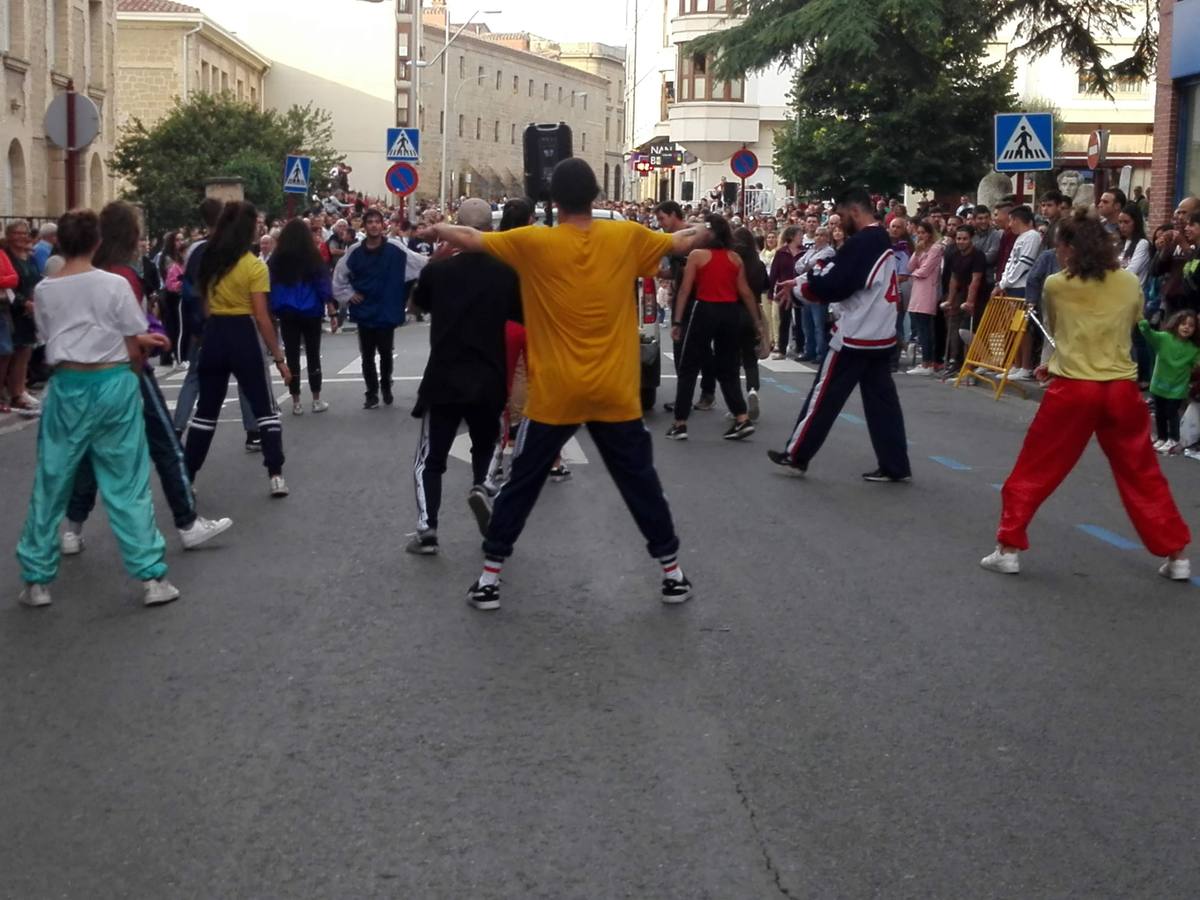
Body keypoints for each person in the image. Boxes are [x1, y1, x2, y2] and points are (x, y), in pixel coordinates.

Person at [418, 157, 706, 610]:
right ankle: (672, 573)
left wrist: (435, 229)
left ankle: (490, 578)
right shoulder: (627, 235)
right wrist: (710, 229)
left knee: (522, 484)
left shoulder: (534, 242)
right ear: (594, 195)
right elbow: (685, 240)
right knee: (640, 483)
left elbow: (472, 238)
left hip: (556, 392)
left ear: (553, 201)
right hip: (615, 391)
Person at [981, 209, 1192, 582]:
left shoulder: (1056, 285)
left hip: (1074, 387)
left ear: (1068, 248)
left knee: (1036, 468)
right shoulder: (1129, 282)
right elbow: (1130, 323)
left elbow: (1062, 330)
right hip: (1121, 387)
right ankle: (1176, 555)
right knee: (1142, 473)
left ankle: (1008, 547)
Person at [15, 209, 181, 609]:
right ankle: (151, 577)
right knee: (127, 480)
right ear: (97, 242)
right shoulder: (113, 284)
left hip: (68, 383)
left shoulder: (46, 289)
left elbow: (49, 335)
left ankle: (37, 580)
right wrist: (144, 347)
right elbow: (129, 337)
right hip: (113, 382)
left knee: (52, 479)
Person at [61, 201, 232, 555]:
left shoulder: (80, 273)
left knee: (92, 451)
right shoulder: (122, 276)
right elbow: (125, 331)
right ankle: (187, 521)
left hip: (85, 374)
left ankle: (73, 528)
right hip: (128, 371)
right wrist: (144, 347)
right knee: (166, 445)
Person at [767, 187, 912, 483]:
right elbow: (839, 274)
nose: (837, 223)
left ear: (855, 212)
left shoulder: (863, 242)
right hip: (880, 334)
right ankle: (895, 464)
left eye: (841, 217)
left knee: (824, 396)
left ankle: (797, 454)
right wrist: (805, 279)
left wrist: (802, 286)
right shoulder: (879, 238)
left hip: (855, 334)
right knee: (883, 404)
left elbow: (835, 283)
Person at [406, 199, 522, 555]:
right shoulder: (506, 274)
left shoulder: (439, 272)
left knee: (430, 458)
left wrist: (435, 261)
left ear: (458, 228)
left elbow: (415, 307)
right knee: (486, 446)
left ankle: (427, 528)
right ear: (489, 229)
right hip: (488, 373)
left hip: (444, 375)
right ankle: (482, 489)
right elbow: (522, 317)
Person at [184, 201, 292, 497]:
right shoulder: (253, 265)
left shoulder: (209, 260)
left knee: (206, 412)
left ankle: (188, 476)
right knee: (264, 407)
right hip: (243, 333)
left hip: (215, 333)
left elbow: (204, 306)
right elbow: (262, 316)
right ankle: (275, 474)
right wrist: (279, 357)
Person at [666, 214, 765, 442]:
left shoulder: (697, 256)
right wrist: (757, 321)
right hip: (729, 312)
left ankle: (680, 422)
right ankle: (741, 418)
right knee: (728, 368)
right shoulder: (735, 258)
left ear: (709, 233)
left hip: (705, 310)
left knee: (689, 366)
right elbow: (746, 292)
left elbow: (684, 290)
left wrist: (677, 321)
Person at [173, 198, 260, 449]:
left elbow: (189, 291)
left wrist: (196, 324)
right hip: (231, 323)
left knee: (193, 379)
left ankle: (178, 428)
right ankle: (253, 430)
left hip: (202, 326)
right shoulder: (232, 249)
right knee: (245, 378)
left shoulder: (195, 251)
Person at [332, 208, 426, 409]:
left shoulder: (395, 248)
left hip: (386, 308)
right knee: (367, 354)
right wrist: (349, 295)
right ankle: (371, 393)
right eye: (370, 222)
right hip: (364, 308)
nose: (374, 225)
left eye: (377, 221)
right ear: (364, 226)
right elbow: (339, 276)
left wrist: (441, 259)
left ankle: (386, 385)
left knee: (385, 351)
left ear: (383, 225)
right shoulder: (355, 251)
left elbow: (419, 263)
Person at [269, 219, 335, 416]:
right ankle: (316, 399)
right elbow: (323, 284)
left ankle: (296, 401)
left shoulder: (277, 258)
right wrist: (330, 308)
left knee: (292, 355)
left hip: (287, 310)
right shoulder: (312, 257)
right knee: (313, 354)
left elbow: (269, 284)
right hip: (311, 309)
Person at [1138, 312, 1200, 454]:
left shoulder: (1194, 348)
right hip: (1159, 385)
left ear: (1195, 330)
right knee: (1159, 413)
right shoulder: (1164, 338)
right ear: (1176, 324)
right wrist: (1143, 324)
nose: (1186, 327)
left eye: (1191, 325)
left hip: (1178, 388)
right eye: (1183, 324)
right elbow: (1149, 334)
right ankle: (1161, 437)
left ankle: (1173, 439)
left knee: (1171, 413)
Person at [2, 220, 42, 415]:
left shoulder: (29, 256)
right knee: (12, 350)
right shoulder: (7, 256)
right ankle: (12, 392)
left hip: (30, 306)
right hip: (14, 308)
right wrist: (22, 302)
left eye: (25, 233)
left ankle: (20, 389)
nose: (22, 236)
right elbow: (8, 283)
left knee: (26, 348)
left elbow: (37, 280)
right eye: (17, 233)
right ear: (9, 235)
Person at [905, 219, 944, 375]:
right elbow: (909, 266)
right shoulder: (920, 248)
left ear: (929, 233)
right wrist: (917, 251)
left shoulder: (936, 249)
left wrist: (913, 275)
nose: (920, 236)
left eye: (923, 233)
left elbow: (925, 270)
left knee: (925, 328)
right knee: (920, 326)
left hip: (928, 289)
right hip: (917, 289)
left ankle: (928, 363)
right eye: (918, 233)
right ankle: (926, 361)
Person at [156, 231, 184, 367]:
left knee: (174, 326)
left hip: (172, 294)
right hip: (168, 295)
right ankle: (167, 354)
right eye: (177, 240)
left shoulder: (176, 256)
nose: (180, 243)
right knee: (171, 326)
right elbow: (169, 279)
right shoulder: (167, 258)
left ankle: (170, 353)